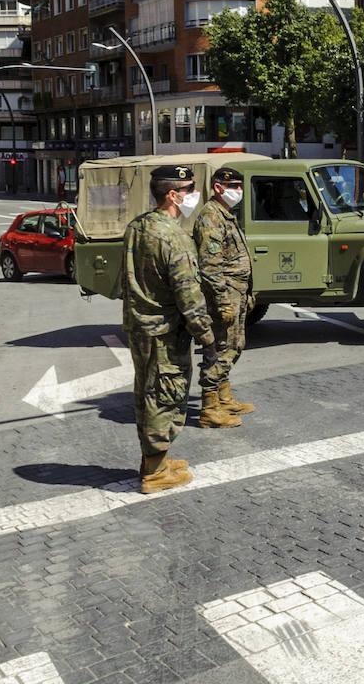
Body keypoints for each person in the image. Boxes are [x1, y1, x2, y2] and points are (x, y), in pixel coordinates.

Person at [122, 164, 217, 494]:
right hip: (164, 331)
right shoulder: (173, 236)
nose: (195, 194)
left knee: (147, 393)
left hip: (141, 327)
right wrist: (207, 337)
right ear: (173, 195)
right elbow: (188, 293)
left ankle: (155, 460)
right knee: (165, 396)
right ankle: (155, 472)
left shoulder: (138, 227)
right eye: (190, 189)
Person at [192, 166, 255, 428]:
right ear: (218, 188)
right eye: (233, 187)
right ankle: (209, 410)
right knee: (220, 348)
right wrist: (222, 301)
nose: (238, 192)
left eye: (240, 187)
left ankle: (224, 398)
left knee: (234, 345)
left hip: (236, 291)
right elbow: (210, 266)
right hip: (225, 293)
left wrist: (248, 292)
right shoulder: (211, 218)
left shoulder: (225, 214)